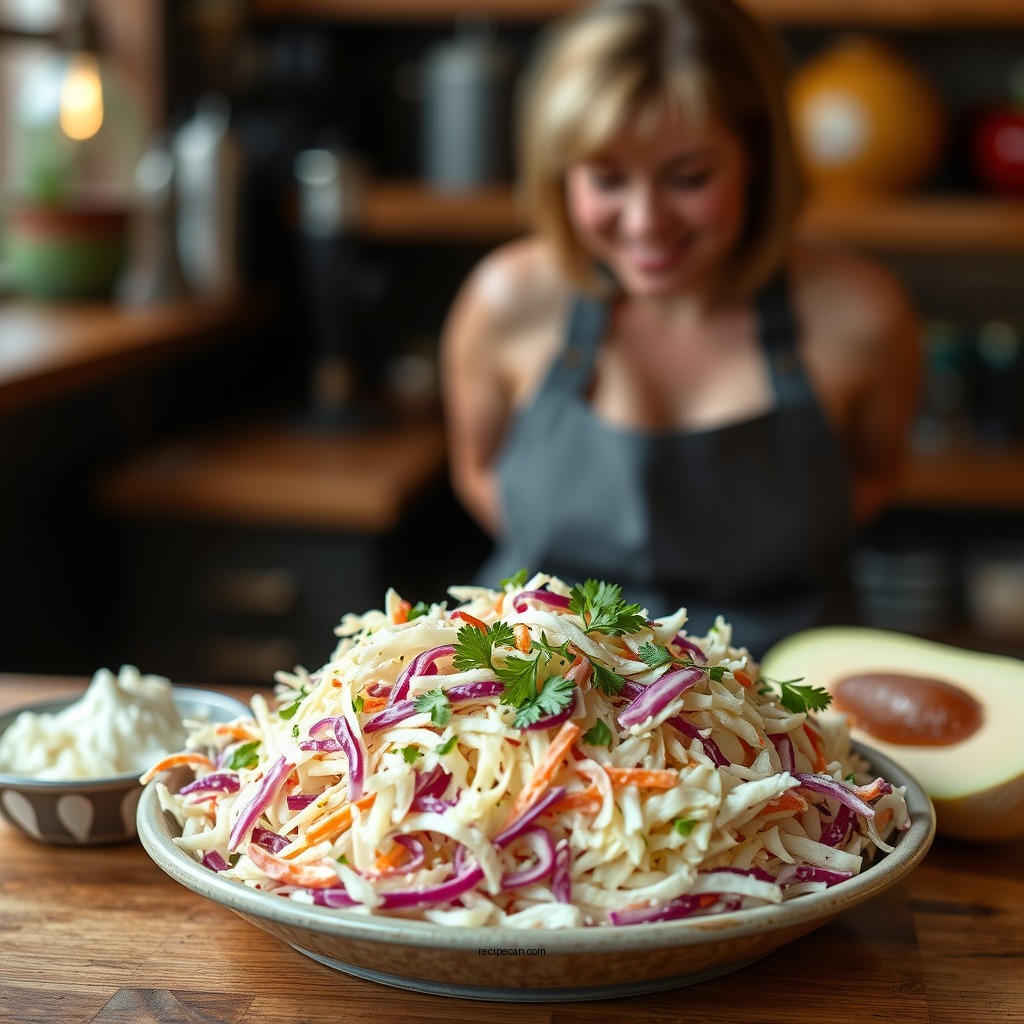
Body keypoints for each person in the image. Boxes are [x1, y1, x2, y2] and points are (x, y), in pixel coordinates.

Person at [440, 0, 921, 657]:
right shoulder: (505, 301)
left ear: (756, 155)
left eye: (688, 178)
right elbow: (477, 471)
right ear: (560, 170)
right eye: (607, 179)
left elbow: (873, 477)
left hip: (779, 692)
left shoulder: (863, 315)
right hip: (542, 678)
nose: (644, 223)